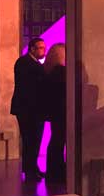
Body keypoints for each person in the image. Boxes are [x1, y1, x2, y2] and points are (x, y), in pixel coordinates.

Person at [10, 37, 46, 182]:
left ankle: (32, 168)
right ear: (32, 49)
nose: (43, 51)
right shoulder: (26, 63)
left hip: (29, 108)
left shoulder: (29, 63)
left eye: (44, 48)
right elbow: (31, 86)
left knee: (32, 140)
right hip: (29, 109)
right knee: (31, 139)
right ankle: (30, 170)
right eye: (41, 48)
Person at [43, 43, 67, 185]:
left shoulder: (49, 71)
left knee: (56, 140)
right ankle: (56, 172)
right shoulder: (60, 72)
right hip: (62, 110)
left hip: (55, 111)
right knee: (58, 141)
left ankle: (53, 171)